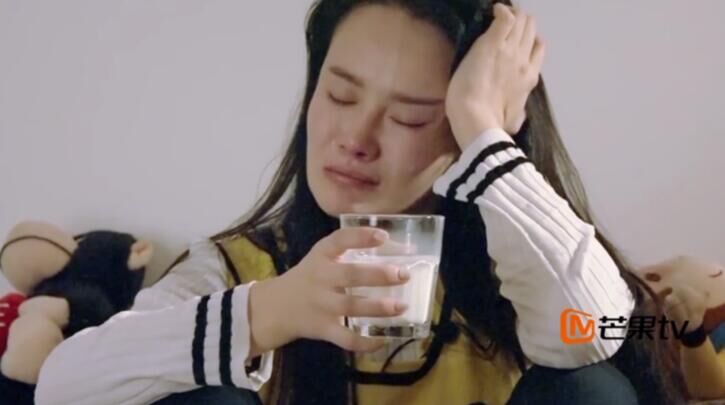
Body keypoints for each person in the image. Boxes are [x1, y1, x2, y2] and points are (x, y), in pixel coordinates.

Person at [34, 1, 685, 404]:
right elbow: (63, 386)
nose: (356, 138)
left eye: (410, 117)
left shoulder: (516, 269)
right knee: (196, 395)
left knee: (589, 389)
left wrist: (487, 136)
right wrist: (271, 311)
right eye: (339, 95)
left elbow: (599, 331)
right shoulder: (240, 268)